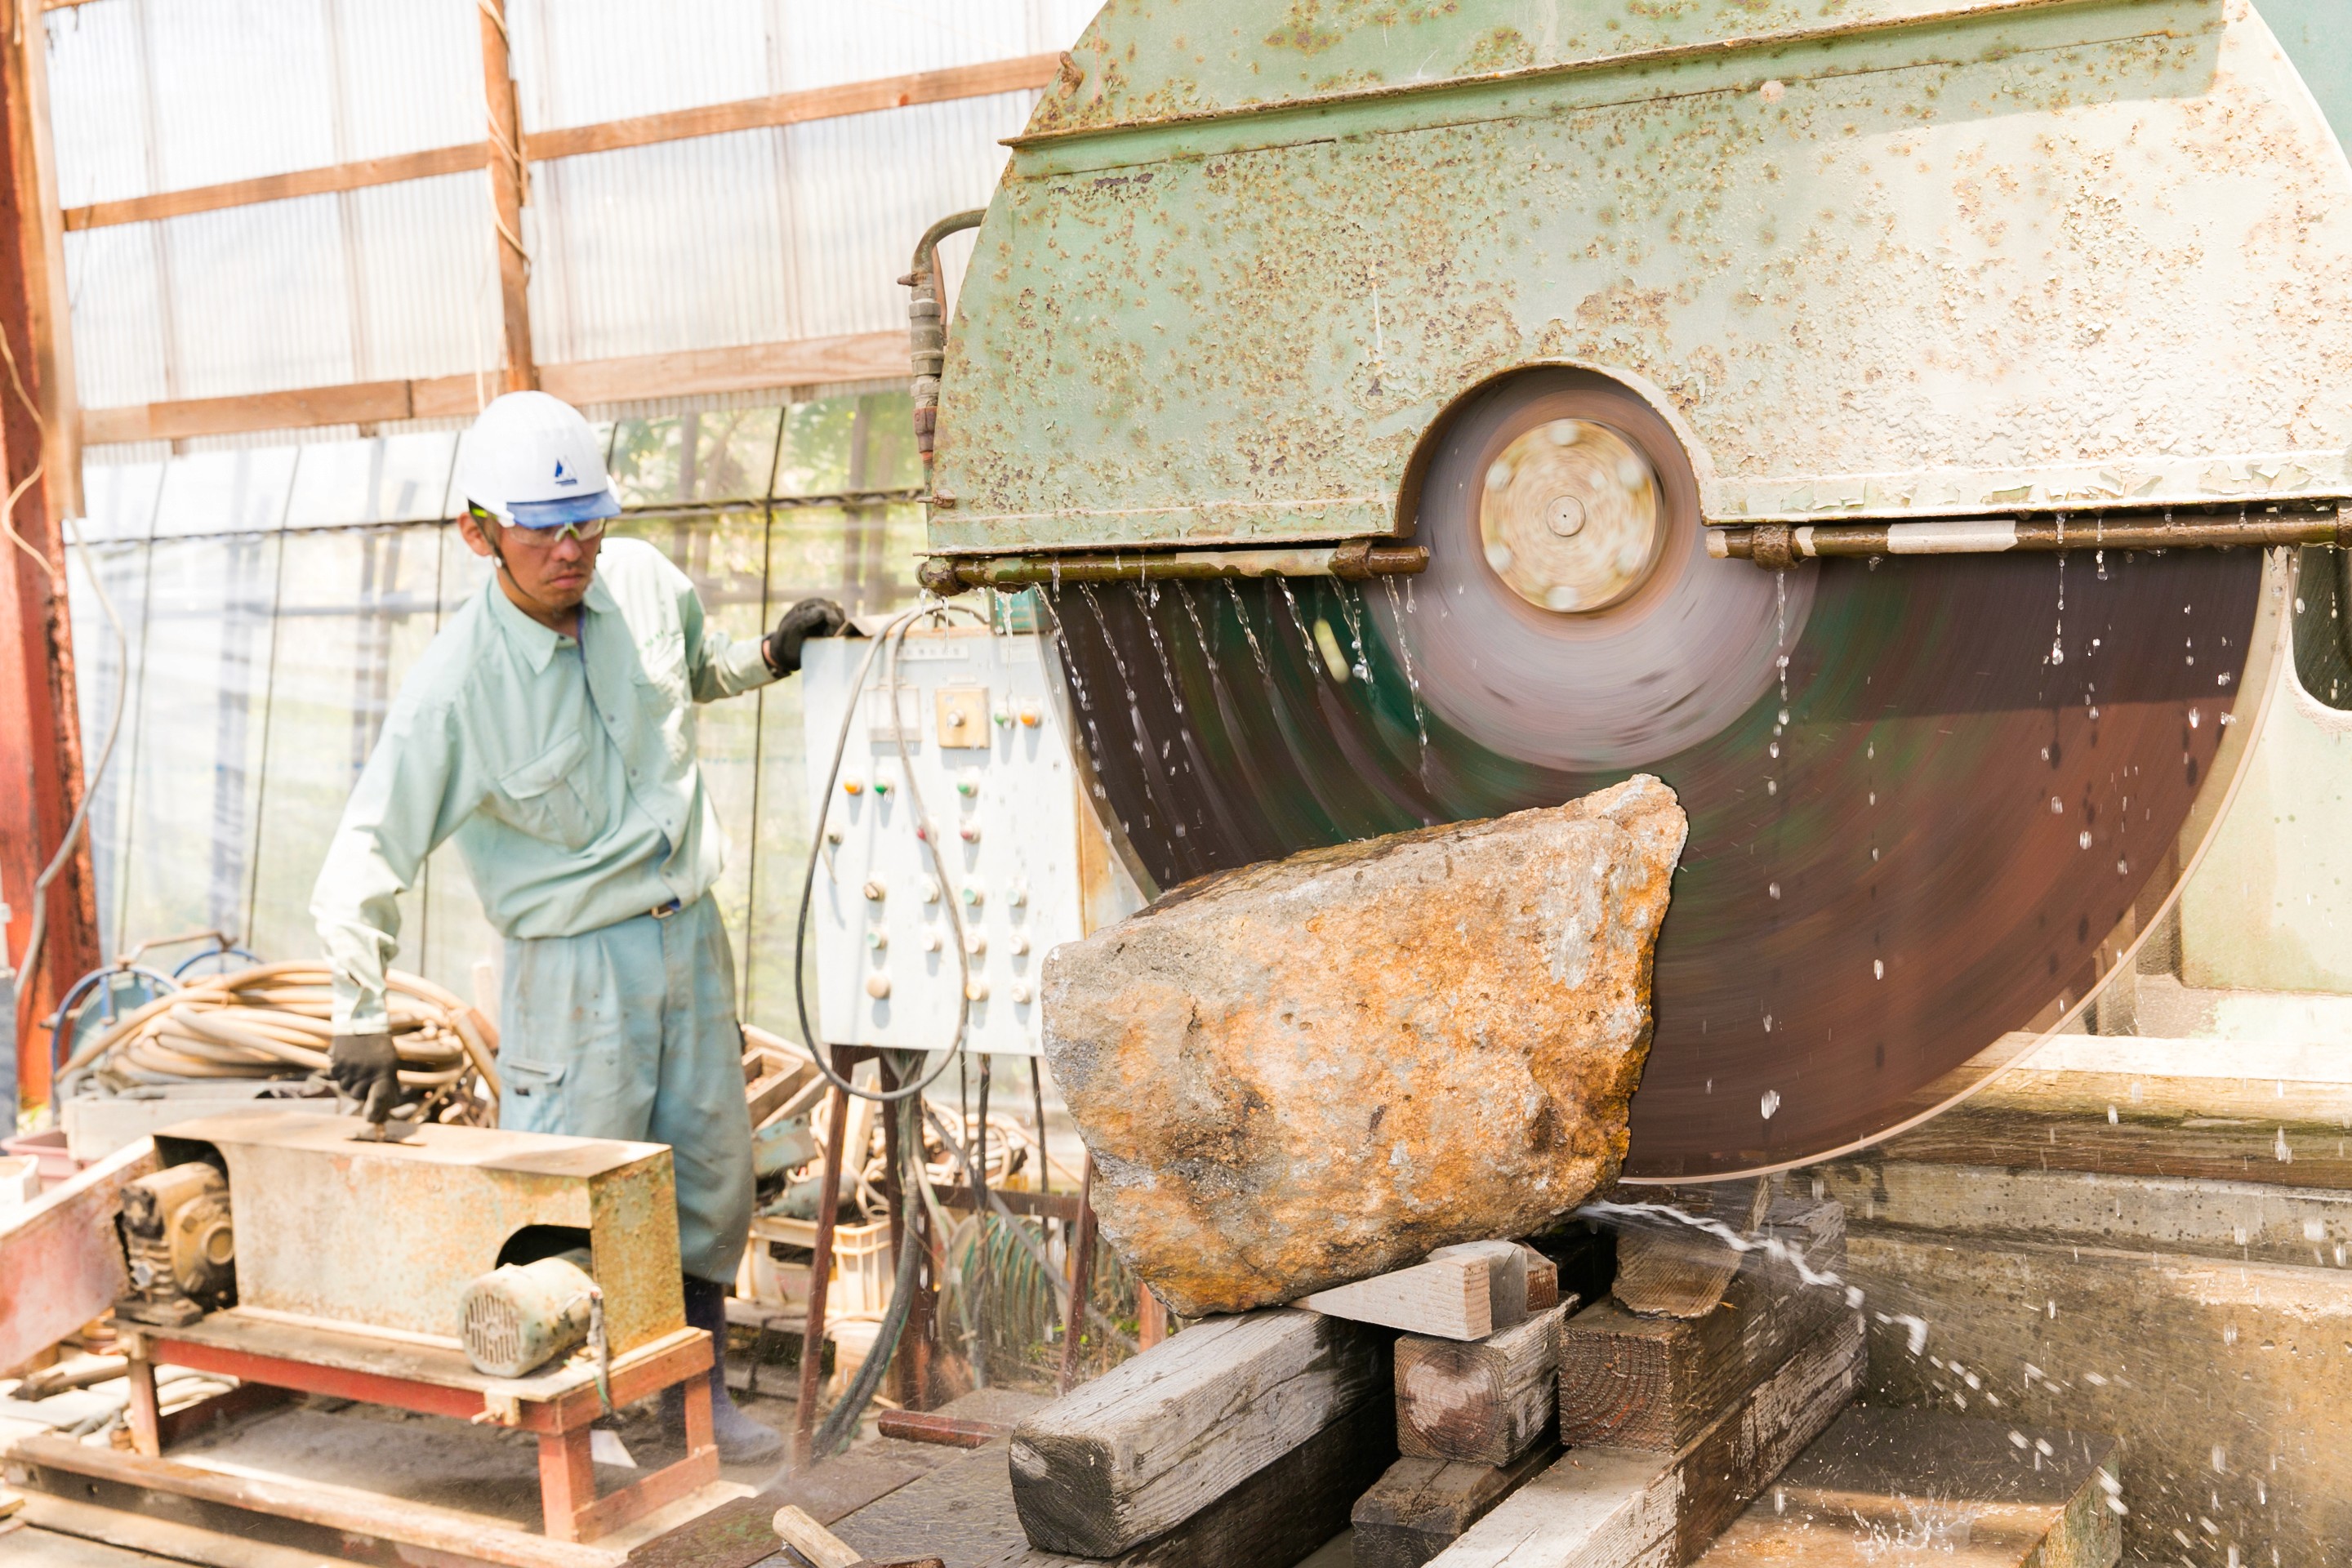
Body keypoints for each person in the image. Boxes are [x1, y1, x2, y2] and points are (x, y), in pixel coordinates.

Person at [310, 390, 845, 1464]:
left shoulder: (640, 583)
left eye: (590, 520)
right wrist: (356, 1010)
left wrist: (772, 655)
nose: (574, 548)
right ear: (479, 532)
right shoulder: (457, 687)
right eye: (546, 529)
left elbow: (691, 672)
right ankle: (585, 1418)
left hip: (688, 939)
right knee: (578, 1188)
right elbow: (369, 844)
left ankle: (691, 1406)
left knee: (706, 1173)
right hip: (571, 971)